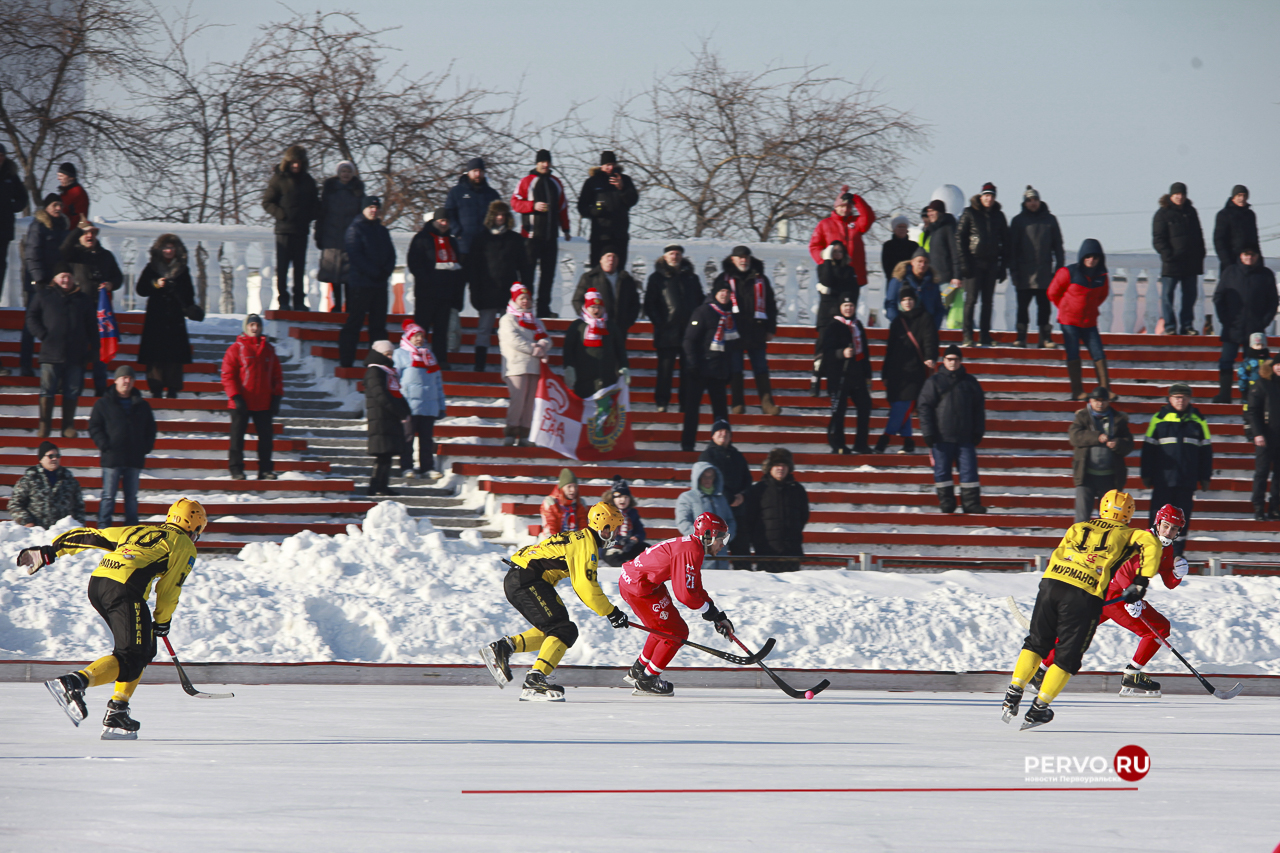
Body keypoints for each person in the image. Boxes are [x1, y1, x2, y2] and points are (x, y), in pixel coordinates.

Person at [26, 498, 207, 739]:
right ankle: (73, 684)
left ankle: (118, 711)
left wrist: (51, 551)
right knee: (132, 655)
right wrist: (163, 620)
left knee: (143, 648)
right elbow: (169, 589)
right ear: (194, 527)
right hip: (124, 590)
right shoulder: (184, 545)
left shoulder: (138, 530)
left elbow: (92, 536)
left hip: (98, 585)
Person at [1000, 489, 1162, 730]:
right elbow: (1152, 544)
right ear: (1129, 514)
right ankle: (1038, 710)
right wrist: (1141, 581)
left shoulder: (1078, 527)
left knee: (1036, 642)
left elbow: (1061, 553)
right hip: (1083, 593)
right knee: (1067, 657)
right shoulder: (1129, 533)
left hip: (1051, 584)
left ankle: (1013, 693)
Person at [1016, 502, 1186, 707]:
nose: (1168, 532)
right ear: (1157, 522)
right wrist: (1132, 597)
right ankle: (1132, 676)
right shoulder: (1143, 539)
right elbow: (1123, 569)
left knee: (1074, 632)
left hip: (1107, 596)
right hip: (1115, 595)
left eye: (1174, 528)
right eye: (1166, 526)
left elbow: (1168, 581)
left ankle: (1040, 671)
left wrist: (1177, 574)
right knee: (1159, 628)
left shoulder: (1167, 549)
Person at [479, 501, 629, 701]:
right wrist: (612, 612)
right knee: (562, 629)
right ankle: (534, 681)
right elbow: (585, 586)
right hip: (527, 579)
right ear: (605, 527)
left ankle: (504, 648)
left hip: (522, 578)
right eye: (615, 528)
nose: (616, 534)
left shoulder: (581, 538)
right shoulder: (587, 545)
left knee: (555, 630)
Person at [617, 513, 735, 696]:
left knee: (662, 628)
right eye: (722, 539)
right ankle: (647, 680)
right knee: (676, 632)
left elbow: (695, 587)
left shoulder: (692, 546)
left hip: (642, 584)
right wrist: (708, 611)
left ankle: (640, 670)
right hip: (639, 588)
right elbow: (685, 595)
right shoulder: (692, 551)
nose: (723, 545)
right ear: (709, 535)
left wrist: (717, 615)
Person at [1141, 383, 1212, 555]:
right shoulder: (1159, 418)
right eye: (1177, 397)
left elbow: (1206, 450)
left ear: (1189, 399)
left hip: (1186, 480)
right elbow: (1148, 449)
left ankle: (1175, 555)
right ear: (1170, 399)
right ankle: (1153, 553)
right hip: (1163, 479)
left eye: (1185, 398)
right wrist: (1146, 474)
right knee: (1158, 518)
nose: (1181, 401)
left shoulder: (1198, 420)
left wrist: (1205, 476)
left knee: (1181, 520)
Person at [27, 264, 96, 439]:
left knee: (72, 390)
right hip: (51, 353)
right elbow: (31, 317)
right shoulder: (44, 295)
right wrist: (43, 334)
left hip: (76, 355)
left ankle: (68, 426)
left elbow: (92, 326)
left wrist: (95, 348)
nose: (66, 280)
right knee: (47, 390)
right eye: (62, 276)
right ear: (55, 279)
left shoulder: (83, 299)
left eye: (69, 276)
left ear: (74, 279)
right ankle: (44, 426)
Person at [917, 345, 986, 513]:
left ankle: (971, 503)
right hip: (941, 436)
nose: (952, 362)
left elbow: (979, 409)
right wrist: (928, 433)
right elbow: (924, 407)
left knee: (969, 472)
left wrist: (978, 431)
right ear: (944, 360)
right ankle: (947, 502)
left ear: (961, 361)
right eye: (949, 359)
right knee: (942, 472)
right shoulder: (933, 381)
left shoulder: (970, 382)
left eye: (955, 359)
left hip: (965, 436)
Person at [715, 245, 781, 416]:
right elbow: (714, 304)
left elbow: (771, 305)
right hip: (733, 331)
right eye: (740, 257)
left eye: (746, 257)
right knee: (735, 368)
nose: (743, 260)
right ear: (733, 259)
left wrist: (771, 328)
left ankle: (767, 404)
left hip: (756, 330)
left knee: (761, 367)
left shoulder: (761, 279)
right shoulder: (723, 278)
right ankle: (737, 404)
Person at [89, 365, 156, 528]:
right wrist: (104, 444)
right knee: (108, 496)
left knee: (131, 498)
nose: (127, 381)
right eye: (124, 377)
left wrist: (145, 448)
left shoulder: (142, 405)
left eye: (130, 378)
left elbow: (151, 428)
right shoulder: (103, 404)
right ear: (116, 380)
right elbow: (94, 426)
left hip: (134, 458)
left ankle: (132, 529)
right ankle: (103, 528)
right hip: (112, 457)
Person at [61, 221, 122, 397]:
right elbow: (63, 251)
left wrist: (111, 284)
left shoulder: (106, 256)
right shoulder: (74, 255)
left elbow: (118, 277)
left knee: (100, 352)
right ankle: (76, 388)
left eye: (93, 233)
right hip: (79, 311)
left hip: (100, 313)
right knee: (79, 351)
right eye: (86, 233)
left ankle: (100, 389)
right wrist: (77, 229)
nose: (90, 236)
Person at [220, 314, 283, 481]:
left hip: (263, 402)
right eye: (251, 325)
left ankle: (265, 470)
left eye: (257, 325)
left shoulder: (269, 349)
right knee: (237, 438)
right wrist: (235, 396)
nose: (254, 328)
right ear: (246, 327)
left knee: (266, 439)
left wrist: (277, 397)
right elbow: (227, 375)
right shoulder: (236, 348)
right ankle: (236, 469)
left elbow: (277, 375)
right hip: (241, 402)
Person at [1211, 247, 1277, 403]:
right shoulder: (1230, 272)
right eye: (1246, 254)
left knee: (1254, 365)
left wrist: (1263, 322)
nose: (1249, 258)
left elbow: (1273, 301)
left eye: (1252, 255)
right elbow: (1219, 297)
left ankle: (1250, 397)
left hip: (1255, 330)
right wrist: (1225, 320)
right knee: (1226, 360)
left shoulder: (1265, 274)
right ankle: (1224, 394)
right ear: (1240, 256)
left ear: (1257, 256)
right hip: (1232, 327)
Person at [1048, 238, 1111, 401]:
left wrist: (1091, 308)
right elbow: (1052, 292)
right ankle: (1077, 391)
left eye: (1095, 257)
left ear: (1100, 259)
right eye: (1087, 256)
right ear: (1082, 257)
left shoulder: (1102, 276)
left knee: (1098, 353)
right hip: (1069, 322)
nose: (1091, 260)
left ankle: (1105, 390)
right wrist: (1064, 307)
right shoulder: (1068, 272)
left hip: (1089, 322)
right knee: (1073, 353)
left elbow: (1103, 295)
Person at [510, 149, 571, 317]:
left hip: (551, 237)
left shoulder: (556, 182)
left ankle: (544, 309)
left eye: (548, 162)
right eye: (542, 162)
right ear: (537, 163)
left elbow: (563, 208)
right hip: (530, 237)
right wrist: (532, 206)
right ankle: (525, 308)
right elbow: (515, 203)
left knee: (548, 275)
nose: (545, 165)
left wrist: (565, 229)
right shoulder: (526, 181)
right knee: (527, 275)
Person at [876, 285, 937, 454]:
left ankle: (884, 439)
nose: (907, 303)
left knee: (904, 405)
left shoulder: (925, 318)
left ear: (915, 300)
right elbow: (890, 349)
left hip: (916, 370)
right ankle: (908, 441)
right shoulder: (897, 321)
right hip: (897, 371)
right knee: (900, 404)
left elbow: (930, 340)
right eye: (904, 300)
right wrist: (885, 372)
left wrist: (930, 357)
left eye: (910, 299)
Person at [469, 200, 528, 372]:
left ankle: (510, 367)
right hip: (486, 292)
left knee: (511, 331)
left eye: (503, 214)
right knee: (484, 330)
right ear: (491, 216)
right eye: (497, 214)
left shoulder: (515, 239)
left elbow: (524, 267)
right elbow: (473, 268)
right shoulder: (480, 239)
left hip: (509, 294)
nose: (500, 218)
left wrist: (525, 291)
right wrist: (474, 291)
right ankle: (479, 367)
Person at [681, 280, 740, 452]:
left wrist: (730, 369)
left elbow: (732, 346)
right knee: (692, 410)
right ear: (714, 293)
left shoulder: (731, 315)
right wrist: (692, 364)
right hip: (699, 369)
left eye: (727, 292)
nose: (724, 295)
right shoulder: (702, 312)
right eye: (721, 291)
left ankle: (723, 444)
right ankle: (687, 444)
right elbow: (689, 340)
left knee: (721, 413)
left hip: (718, 370)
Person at [644, 244, 704, 412]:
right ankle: (662, 402)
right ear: (665, 257)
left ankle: (685, 404)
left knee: (688, 370)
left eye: (678, 254)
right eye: (671, 254)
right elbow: (650, 304)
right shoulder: (656, 278)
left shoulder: (692, 277)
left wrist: (696, 325)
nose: (674, 257)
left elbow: (700, 303)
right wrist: (660, 324)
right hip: (666, 332)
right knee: (665, 371)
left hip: (689, 332)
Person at [135, 234, 195, 399]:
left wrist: (183, 298)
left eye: (172, 248)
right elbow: (141, 289)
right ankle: (156, 389)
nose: (169, 251)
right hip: (156, 317)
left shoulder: (183, 270)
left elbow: (190, 295)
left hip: (175, 318)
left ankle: (173, 389)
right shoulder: (151, 268)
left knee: (174, 356)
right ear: (159, 250)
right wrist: (156, 284)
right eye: (165, 248)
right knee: (155, 356)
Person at [338, 196, 396, 369]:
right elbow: (355, 255)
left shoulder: (382, 231)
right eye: (370, 207)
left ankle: (378, 363)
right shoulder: (355, 229)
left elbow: (391, 255)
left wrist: (385, 272)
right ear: (364, 209)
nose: (374, 210)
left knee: (378, 326)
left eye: (376, 208)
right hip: (360, 284)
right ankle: (346, 361)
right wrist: (374, 272)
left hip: (379, 285)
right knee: (355, 323)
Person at [261, 145, 319, 310]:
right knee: (283, 268)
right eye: (293, 162)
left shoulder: (308, 181)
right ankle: (283, 301)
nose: (296, 165)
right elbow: (267, 202)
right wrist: (281, 214)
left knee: (300, 268)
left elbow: (316, 204)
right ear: (288, 162)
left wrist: (309, 216)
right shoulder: (278, 179)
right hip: (283, 230)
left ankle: (299, 301)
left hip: (301, 230)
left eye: (299, 162)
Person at [1007, 186, 1065, 349]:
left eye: (1035, 200)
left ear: (1040, 201)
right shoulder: (1018, 221)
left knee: (1044, 308)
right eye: (1029, 201)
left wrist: (1059, 270)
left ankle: (1045, 338)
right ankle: (1021, 337)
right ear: (1025, 203)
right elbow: (1012, 249)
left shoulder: (1050, 220)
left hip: (1045, 273)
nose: (1033, 203)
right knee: (1022, 308)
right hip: (1024, 273)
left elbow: (1058, 247)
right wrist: (1014, 272)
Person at [20, 194, 71, 378]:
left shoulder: (63, 227)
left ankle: (54, 366)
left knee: (55, 324)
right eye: (55, 205)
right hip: (38, 285)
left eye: (60, 205)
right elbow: (32, 255)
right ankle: (25, 365)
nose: (58, 208)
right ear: (47, 207)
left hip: (56, 285)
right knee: (31, 323)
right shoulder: (38, 226)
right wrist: (40, 281)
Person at [406, 209, 463, 367]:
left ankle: (440, 360)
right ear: (434, 221)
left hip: (446, 294)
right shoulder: (421, 238)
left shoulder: (452, 241)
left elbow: (458, 268)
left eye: (447, 221)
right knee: (421, 328)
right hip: (426, 293)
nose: (444, 224)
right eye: (441, 221)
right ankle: (417, 357)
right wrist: (428, 280)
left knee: (441, 330)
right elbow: (414, 263)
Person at [955, 182, 1008, 347]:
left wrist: (1002, 266)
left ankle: (985, 335)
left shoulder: (999, 216)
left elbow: (1007, 242)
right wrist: (964, 263)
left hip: (991, 263)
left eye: (991, 196)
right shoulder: (969, 213)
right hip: (974, 262)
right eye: (986, 195)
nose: (989, 199)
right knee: (971, 300)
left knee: (988, 302)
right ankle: (967, 336)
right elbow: (959, 238)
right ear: (981, 196)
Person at [1069, 386, 1133, 523]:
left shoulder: (1118, 418)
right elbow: (1074, 437)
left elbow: (1129, 444)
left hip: (1110, 477)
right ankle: (1079, 543)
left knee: (1108, 520)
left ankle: (1104, 544)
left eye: (1103, 400)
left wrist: (1118, 443)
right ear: (1090, 401)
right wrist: (1096, 437)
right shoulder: (1082, 416)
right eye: (1096, 400)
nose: (1100, 403)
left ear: (1108, 401)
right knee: (1081, 519)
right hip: (1086, 476)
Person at [445, 157, 501, 311]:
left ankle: (484, 324)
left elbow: (499, 216)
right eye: (475, 171)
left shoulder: (491, 194)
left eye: (481, 171)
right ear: (468, 172)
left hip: (484, 251)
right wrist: (457, 232)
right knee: (458, 287)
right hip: (462, 248)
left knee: (481, 289)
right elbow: (449, 212)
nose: (478, 174)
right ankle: (455, 321)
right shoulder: (457, 192)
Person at [819, 293, 873, 454]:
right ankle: (839, 444)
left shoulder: (858, 325)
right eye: (845, 306)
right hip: (839, 376)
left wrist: (867, 373)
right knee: (839, 411)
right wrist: (842, 353)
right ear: (840, 308)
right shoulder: (833, 326)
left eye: (851, 306)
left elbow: (865, 352)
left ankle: (861, 443)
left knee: (865, 406)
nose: (848, 309)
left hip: (857, 376)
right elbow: (826, 352)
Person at [498, 284, 551, 446]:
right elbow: (513, 340)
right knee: (518, 399)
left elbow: (547, 338)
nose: (525, 301)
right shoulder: (508, 319)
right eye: (522, 298)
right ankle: (511, 431)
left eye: (528, 298)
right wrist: (534, 348)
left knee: (530, 403)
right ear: (514, 300)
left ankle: (525, 434)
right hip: (516, 366)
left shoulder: (535, 321)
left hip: (534, 367)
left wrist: (543, 344)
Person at [1151, 181, 1206, 336]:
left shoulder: (1191, 212)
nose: (1179, 197)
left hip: (1191, 263)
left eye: (1182, 194)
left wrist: (1200, 254)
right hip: (1172, 263)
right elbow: (1158, 239)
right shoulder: (1162, 213)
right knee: (1167, 296)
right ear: (1171, 195)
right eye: (1176, 194)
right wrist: (1168, 255)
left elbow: (1199, 235)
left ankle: (1187, 325)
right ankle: (1170, 326)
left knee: (1190, 297)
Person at [394, 321, 446, 479]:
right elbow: (394, 379)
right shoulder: (400, 354)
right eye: (416, 335)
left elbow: (437, 382)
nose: (419, 339)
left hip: (429, 405)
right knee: (407, 438)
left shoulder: (429, 355)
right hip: (408, 405)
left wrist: (441, 405)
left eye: (421, 336)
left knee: (426, 439)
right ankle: (406, 467)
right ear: (408, 337)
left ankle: (427, 468)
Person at [745, 447, 809, 572]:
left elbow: (803, 516)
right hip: (766, 551)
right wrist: (758, 540)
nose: (781, 468)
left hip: (792, 550)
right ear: (770, 467)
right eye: (777, 465)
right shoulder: (758, 490)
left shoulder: (798, 490)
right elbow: (749, 518)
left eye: (784, 464)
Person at [810, 241, 862, 396]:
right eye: (834, 251)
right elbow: (826, 280)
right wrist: (826, 260)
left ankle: (837, 383)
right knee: (822, 346)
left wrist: (831, 291)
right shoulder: (823, 267)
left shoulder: (849, 270)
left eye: (840, 251)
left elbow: (851, 292)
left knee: (841, 348)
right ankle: (816, 380)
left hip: (842, 315)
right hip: (826, 315)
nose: (837, 254)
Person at [698, 420, 753, 559]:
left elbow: (748, 479)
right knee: (716, 552)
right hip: (717, 511)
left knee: (742, 553)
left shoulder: (737, 455)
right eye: (719, 431)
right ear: (712, 436)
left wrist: (742, 496)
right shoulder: (707, 456)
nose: (724, 434)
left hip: (738, 511)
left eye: (727, 432)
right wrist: (730, 498)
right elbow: (708, 482)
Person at [315, 160, 364, 312]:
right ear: (338, 173)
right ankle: (337, 303)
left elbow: (362, 215)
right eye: (343, 171)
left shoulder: (358, 192)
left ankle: (349, 304)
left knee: (349, 274)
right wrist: (319, 234)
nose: (346, 174)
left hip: (350, 237)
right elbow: (321, 214)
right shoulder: (329, 191)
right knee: (333, 273)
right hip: (331, 236)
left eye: (348, 172)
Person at [562, 288, 628, 400]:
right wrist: (569, 367)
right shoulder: (577, 326)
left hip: (607, 378)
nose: (596, 310)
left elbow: (620, 348)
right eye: (593, 307)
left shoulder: (611, 326)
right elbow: (568, 349)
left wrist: (624, 366)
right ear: (587, 308)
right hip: (584, 380)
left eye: (599, 307)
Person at [577, 150, 638, 268]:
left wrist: (622, 188)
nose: (610, 167)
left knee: (619, 271)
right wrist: (596, 210)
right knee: (597, 270)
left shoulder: (624, 180)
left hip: (620, 235)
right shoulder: (592, 182)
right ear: (602, 166)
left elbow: (632, 201)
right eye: (607, 165)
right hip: (600, 235)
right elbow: (582, 207)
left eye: (613, 164)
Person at [363, 339, 408, 496]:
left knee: (386, 454)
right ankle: (374, 486)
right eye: (387, 354)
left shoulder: (387, 372)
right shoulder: (376, 371)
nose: (390, 357)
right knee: (383, 454)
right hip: (381, 417)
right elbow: (381, 395)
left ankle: (381, 485)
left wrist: (404, 409)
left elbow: (395, 394)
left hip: (387, 417)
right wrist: (398, 411)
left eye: (391, 354)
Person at [808, 186, 875, 288]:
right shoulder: (824, 224)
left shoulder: (856, 223)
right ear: (836, 207)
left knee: (850, 304)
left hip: (853, 273)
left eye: (848, 206)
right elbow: (814, 247)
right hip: (833, 274)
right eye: (842, 206)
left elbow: (869, 217)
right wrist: (825, 262)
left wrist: (856, 199)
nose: (845, 209)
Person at [9, 441, 85, 528]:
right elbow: (15, 504)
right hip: (37, 533)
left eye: (57, 456)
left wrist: (79, 526)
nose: (55, 459)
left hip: (62, 533)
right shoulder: (30, 479)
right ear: (41, 459)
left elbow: (79, 507)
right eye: (51, 456)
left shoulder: (69, 480)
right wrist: (26, 521)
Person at [571, 250, 641, 337]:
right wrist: (588, 318)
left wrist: (628, 321)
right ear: (601, 259)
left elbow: (635, 303)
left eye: (614, 257)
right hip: (596, 329)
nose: (611, 259)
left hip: (619, 329)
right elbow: (577, 300)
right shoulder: (589, 277)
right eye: (608, 256)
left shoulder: (626, 279)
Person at [675, 461, 737, 550]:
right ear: (698, 477)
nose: (707, 479)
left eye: (710, 476)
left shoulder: (721, 498)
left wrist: (724, 538)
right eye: (704, 476)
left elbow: (730, 521)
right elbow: (683, 522)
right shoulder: (687, 497)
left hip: (720, 554)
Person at [1248, 354, 1280, 520]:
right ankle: (1258, 508)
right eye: (1277, 364)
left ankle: (1275, 508)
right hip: (1266, 436)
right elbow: (1252, 411)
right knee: (1262, 473)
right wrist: (1258, 433)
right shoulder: (1262, 384)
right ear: (1272, 366)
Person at [884, 247, 944, 329]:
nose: (922, 265)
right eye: (919, 261)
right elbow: (890, 304)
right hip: (903, 327)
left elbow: (939, 308)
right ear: (912, 262)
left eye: (926, 262)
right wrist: (898, 323)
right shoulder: (899, 279)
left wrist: (934, 326)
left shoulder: (933, 282)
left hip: (926, 328)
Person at [920, 199, 960, 311]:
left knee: (951, 312)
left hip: (946, 279)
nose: (930, 214)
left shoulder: (948, 228)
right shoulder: (933, 230)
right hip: (934, 278)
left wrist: (956, 276)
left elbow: (955, 252)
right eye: (928, 211)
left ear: (940, 212)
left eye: (933, 211)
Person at [0, 143, 26, 312]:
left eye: (1, 155)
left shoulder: (11, 175)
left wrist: (10, 206)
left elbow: (22, 199)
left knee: (1, 264)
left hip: (4, 227)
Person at [600, 477, 646, 566]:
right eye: (619, 497)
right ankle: (624, 566)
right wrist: (619, 540)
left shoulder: (632, 513)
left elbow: (639, 530)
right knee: (611, 556)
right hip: (610, 546)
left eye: (626, 497)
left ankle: (644, 565)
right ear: (612, 498)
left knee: (645, 548)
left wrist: (636, 538)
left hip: (628, 546)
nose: (623, 500)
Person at [1213, 185, 1259, 272]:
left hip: (1250, 261)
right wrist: (1226, 261)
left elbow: (1255, 239)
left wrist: (1259, 259)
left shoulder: (1250, 215)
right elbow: (1219, 240)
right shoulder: (1224, 215)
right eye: (1239, 195)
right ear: (1233, 197)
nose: (1242, 198)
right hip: (1231, 261)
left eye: (1244, 196)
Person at [541, 468, 588, 536]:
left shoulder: (580, 503)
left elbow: (583, 527)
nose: (573, 490)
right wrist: (560, 544)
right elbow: (550, 529)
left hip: (575, 542)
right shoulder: (550, 502)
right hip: (552, 542)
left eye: (575, 486)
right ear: (562, 488)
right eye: (569, 487)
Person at [880, 215, 919, 283]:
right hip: (893, 280)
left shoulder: (914, 246)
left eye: (904, 227)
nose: (902, 229)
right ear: (894, 229)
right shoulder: (888, 246)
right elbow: (886, 266)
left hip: (911, 280)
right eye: (899, 227)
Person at [57, 162, 89, 229]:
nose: (58, 178)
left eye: (61, 176)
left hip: (70, 234)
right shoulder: (65, 192)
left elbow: (80, 218)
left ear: (71, 177)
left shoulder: (78, 193)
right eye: (58, 175)